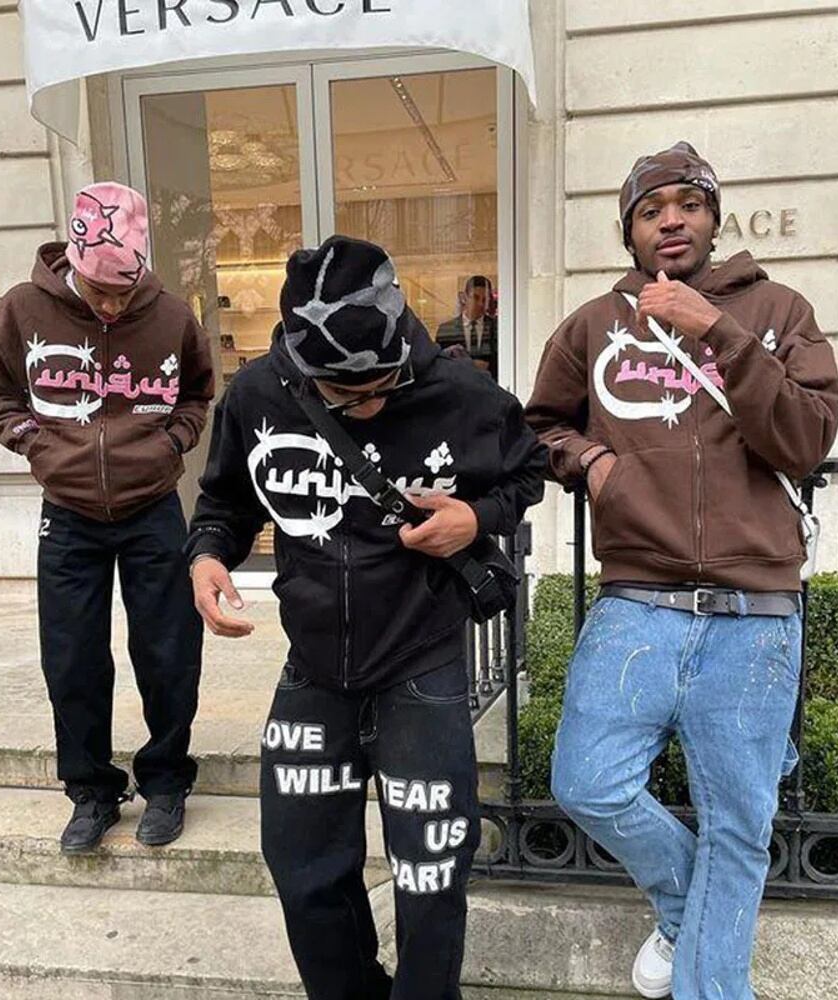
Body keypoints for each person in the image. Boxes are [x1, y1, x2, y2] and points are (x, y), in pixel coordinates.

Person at [187, 235, 545, 1000]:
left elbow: (528, 469)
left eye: (383, 383)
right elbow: (223, 501)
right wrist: (207, 555)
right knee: (301, 867)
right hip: (314, 670)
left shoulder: (461, 392)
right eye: (346, 395)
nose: (371, 404)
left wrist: (475, 518)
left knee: (430, 876)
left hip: (423, 662)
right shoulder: (256, 395)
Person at [525, 143, 838, 1000]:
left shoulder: (778, 310)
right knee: (587, 782)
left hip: (757, 612)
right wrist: (593, 463)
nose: (671, 221)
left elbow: (808, 439)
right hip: (638, 600)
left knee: (740, 826)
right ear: (628, 229)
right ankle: (686, 910)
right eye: (650, 209)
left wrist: (719, 331)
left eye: (688, 205)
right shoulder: (594, 323)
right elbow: (538, 424)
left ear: (713, 217)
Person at [0, 182, 214, 852]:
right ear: (75, 262)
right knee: (71, 657)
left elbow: (198, 391)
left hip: (152, 503)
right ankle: (92, 792)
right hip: (68, 509)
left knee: (168, 650)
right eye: (100, 291)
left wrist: (173, 441)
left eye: (122, 292)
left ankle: (167, 781)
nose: (111, 305)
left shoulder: (171, 316)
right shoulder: (21, 310)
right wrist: (31, 440)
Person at [436, 275, 499, 380]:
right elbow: (440, 366)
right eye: (476, 297)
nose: (481, 304)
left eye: (485, 300)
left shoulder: (498, 328)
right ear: (464, 298)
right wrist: (468, 366)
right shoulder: (445, 330)